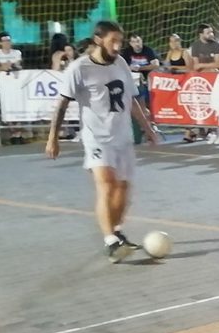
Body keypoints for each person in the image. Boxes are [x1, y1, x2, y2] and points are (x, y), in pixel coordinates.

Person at [45, 20, 159, 263]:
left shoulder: (121, 64)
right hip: (97, 138)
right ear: (98, 40)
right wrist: (53, 137)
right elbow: (62, 104)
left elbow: (132, 100)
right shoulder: (79, 68)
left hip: (123, 136)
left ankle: (116, 232)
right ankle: (110, 241)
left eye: (120, 41)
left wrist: (147, 128)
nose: (117, 46)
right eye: (112, 41)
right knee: (107, 185)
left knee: (123, 188)